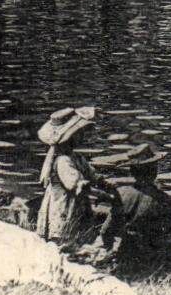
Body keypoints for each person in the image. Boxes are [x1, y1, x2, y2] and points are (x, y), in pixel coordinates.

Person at [35, 106, 115, 251]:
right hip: (64, 209)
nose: (83, 136)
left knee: (76, 240)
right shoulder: (63, 161)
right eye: (80, 133)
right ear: (70, 136)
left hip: (74, 207)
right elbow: (79, 185)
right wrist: (104, 196)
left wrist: (109, 185)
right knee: (63, 242)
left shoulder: (76, 157)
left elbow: (93, 176)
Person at [104, 144, 171, 281]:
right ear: (154, 171)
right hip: (153, 259)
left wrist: (110, 251)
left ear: (132, 171)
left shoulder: (121, 195)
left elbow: (106, 231)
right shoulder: (165, 200)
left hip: (126, 256)